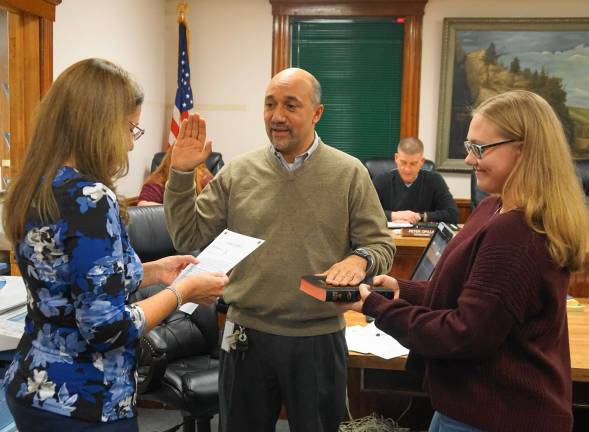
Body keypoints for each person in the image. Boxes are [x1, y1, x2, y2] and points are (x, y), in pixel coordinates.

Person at [1, 58, 229, 432]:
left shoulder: (37, 184)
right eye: (128, 128)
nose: (127, 142)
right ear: (97, 124)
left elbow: (72, 282)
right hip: (85, 401)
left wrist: (154, 271)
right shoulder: (91, 198)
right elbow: (106, 328)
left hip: (34, 386)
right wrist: (180, 290)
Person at [164, 67, 396, 432]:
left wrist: (359, 258)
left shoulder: (349, 173)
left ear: (317, 113)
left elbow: (380, 244)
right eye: (270, 104)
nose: (277, 116)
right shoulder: (238, 172)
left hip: (318, 340)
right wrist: (179, 175)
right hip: (245, 338)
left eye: (291, 105)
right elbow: (188, 238)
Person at [342, 90, 588, 432]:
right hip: (468, 409)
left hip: (499, 417)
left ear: (524, 149)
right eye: (468, 146)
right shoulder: (492, 207)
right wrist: (404, 289)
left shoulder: (517, 233)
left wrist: (375, 307)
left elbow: (462, 334)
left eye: (479, 148)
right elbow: (469, 294)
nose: (469, 160)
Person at [372, 137, 458, 224]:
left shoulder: (435, 180)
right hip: (390, 236)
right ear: (396, 158)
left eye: (413, 163)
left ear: (422, 161)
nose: (407, 169)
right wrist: (395, 215)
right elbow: (367, 213)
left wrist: (419, 216)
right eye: (403, 162)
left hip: (423, 236)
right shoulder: (381, 181)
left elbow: (452, 214)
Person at [137, 146, 213, 206]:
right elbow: (143, 205)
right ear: (171, 158)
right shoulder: (159, 180)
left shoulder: (204, 177)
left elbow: (217, 204)